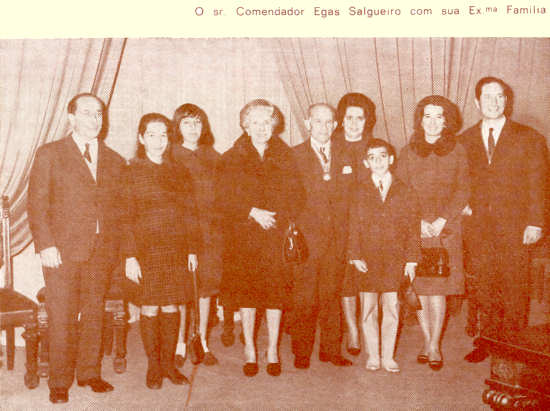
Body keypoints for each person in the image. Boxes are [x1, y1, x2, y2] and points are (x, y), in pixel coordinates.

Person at [27, 93, 126, 403]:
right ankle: (59, 382)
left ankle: (89, 373)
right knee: (62, 316)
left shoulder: (114, 159)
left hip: (101, 252)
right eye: (87, 113)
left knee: (94, 313)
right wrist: (46, 244)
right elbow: (37, 204)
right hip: (61, 252)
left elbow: (119, 209)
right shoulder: (50, 153)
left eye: (99, 113)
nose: (94, 119)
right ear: (71, 118)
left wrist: (117, 250)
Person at [460, 77, 548, 362]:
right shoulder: (464, 140)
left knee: (514, 286)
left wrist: (536, 222)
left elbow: (539, 184)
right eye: (488, 96)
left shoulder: (529, 137)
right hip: (478, 228)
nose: (494, 102)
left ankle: (512, 347)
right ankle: (487, 341)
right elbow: (459, 182)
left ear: (506, 101)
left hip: (516, 227)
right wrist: (463, 205)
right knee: (484, 286)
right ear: (477, 102)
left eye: (499, 96)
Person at [216, 99, 304, 377]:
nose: (261, 128)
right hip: (244, 237)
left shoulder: (287, 156)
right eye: (255, 123)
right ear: (245, 126)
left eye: (267, 122)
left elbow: (297, 195)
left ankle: (273, 350)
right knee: (248, 295)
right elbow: (222, 197)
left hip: (275, 235)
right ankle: (250, 350)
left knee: (275, 294)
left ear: (274, 125)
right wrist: (252, 212)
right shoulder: (231, 157)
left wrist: (276, 216)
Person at [123, 113, 197, 389]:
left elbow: (190, 213)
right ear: (141, 138)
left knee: (171, 304)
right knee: (150, 306)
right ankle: (153, 366)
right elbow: (124, 217)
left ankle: (168, 365)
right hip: (145, 250)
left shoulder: (179, 171)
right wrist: (130, 256)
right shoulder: (130, 171)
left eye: (163, 135)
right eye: (151, 135)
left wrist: (191, 250)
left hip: (175, 248)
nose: (158, 141)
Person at [395, 95, 469, 371]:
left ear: (447, 121)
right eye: (428, 116)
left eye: (439, 116)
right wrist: (417, 223)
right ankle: (427, 341)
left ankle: (435, 345)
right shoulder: (407, 152)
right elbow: (400, 190)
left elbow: (463, 188)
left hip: (446, 229)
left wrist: (442, 220)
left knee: (438, 290)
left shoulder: (458, 151)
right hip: (416, 228)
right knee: (421, 289)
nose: (433, 122)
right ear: (420, 120)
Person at [348, 138, 420, 373]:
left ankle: (388, 356)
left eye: (382, 156)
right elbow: (353, 224)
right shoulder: (358, 190)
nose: (377, 162)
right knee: (368, 308)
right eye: (372, 158)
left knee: (391, 307)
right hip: (367, 258)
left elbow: (412, 227)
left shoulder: (405, 190)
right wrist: (354, 254)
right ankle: (373, 355)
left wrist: (411, 259)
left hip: (394, 258)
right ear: (365, 163)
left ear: (391, 159)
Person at [290, 103, 353, 369]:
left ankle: (331, 350)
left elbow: (353, 197)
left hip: (337, 240)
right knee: (304, 298)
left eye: (329, 122)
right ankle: (302, 352)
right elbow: (288, 199)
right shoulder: (293, 155)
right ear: (308, 123)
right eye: (318, 121)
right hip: (307, 240)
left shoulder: (347, 155)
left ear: (335, 125)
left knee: (331, 296)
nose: (324, 127)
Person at [171, 103, 222, 365]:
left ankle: (201, 340)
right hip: (181, 233)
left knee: (206, 289)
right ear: (177, 127)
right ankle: (179, 342)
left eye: (198, 122)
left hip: (211, 233)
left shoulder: (214, 156)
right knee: (183, 288)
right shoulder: (170, 156)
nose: (193, 128)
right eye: (187, 123)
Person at [333, 92, 377, 356]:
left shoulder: (375, 148)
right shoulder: (331, 146)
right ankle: (352, 330)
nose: (353, 123)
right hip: (339, 225)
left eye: (359, 118)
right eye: (349, 117)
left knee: (368, 277)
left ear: (367, 121)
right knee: (346, 280)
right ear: (341, 119)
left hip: (370, 225)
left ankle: (367, 325)